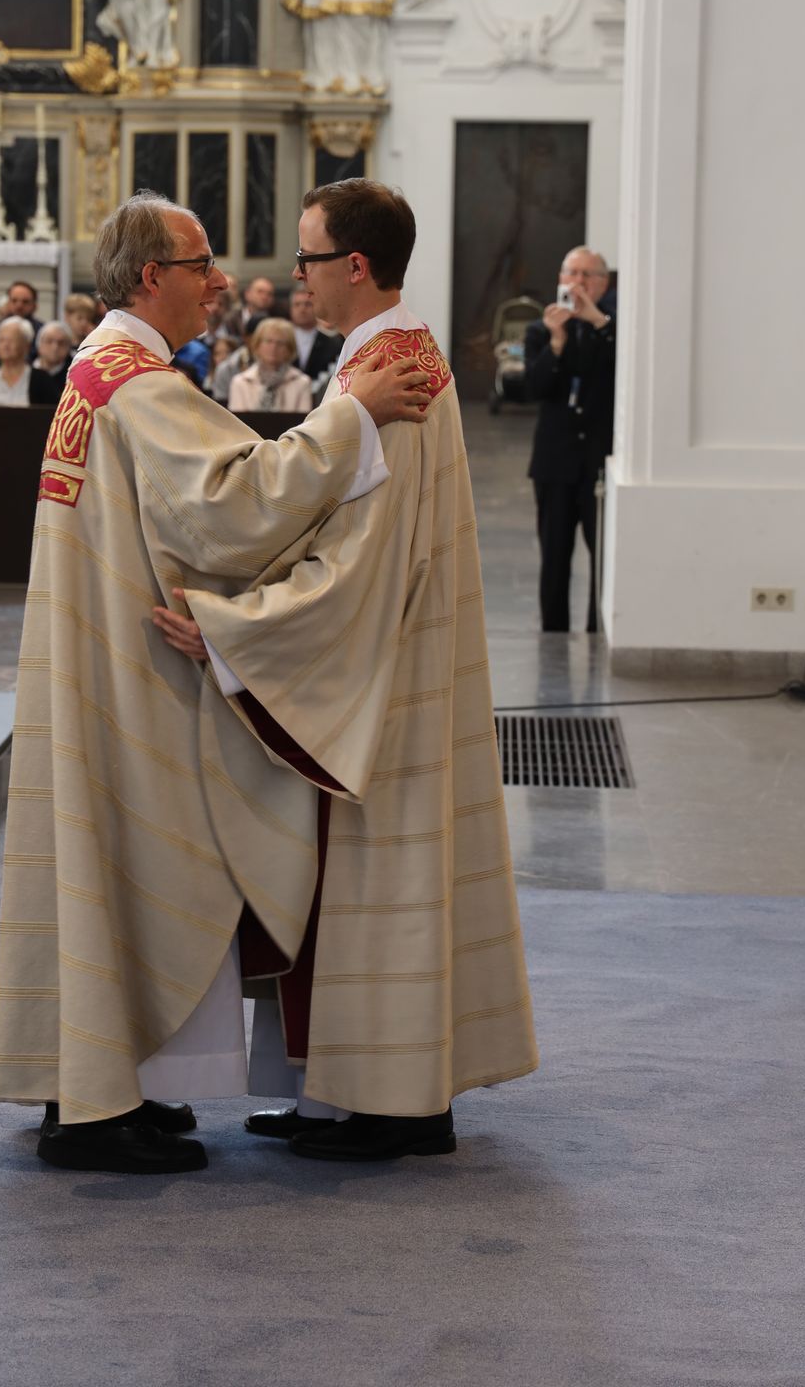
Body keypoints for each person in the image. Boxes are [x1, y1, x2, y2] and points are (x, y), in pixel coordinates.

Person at [0, 192, 433, 1175]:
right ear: (153, 278)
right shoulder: (140, 385)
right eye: (202, 266)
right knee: (133, 870)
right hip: (134, 677)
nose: (222, 283)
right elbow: (233, 506)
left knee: (107, 871)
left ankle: (107, 1088)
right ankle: (93, 1115)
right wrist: (350, 417)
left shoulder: (97, 369)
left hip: (102, 666)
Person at [153, 179, 538, 1163]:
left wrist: (232, 628)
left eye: (309, 258)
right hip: (392, 660)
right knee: (363, 887)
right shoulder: (387, 359)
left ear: (354, 266)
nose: (298, 277)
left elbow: (357, 567)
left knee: (380, 879)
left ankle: (395, 1106)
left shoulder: (390, 376)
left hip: (380, 680)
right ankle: (339, 1097)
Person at [523, 247, 616, 634]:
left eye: (587, 275)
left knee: (603, 555)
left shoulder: (613, 328)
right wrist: (556, 343)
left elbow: (620, 374)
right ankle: (553, 633)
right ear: (560, 279)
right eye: (571, 274)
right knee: (555, 555)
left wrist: (599, 323)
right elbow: (533, 388)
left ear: (603, 284)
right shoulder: (540, 330)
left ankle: (600, 630)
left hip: (598, 461)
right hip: (555, 460)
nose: (578, 283)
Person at [228, 317, 313, 414]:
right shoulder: (240, 382)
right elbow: (236, 421)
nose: (274, 347)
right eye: (268, 341)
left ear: (289, 349)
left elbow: (304, 421)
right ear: (257, 345)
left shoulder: (302, 382)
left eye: (280, 343)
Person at [0, 316, 61, 407]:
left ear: (26, 345)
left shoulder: (42, 380)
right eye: (1, 340)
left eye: (11, 340)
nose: (5, 345)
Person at [289, 284, 342, 399]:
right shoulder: (281, 341)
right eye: (297, 304)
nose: (302, 309)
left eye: (307, 304)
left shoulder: (333, 343)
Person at [34, 320, 73, 390]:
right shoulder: (26, 369)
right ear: (39, 344)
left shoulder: (73, 375)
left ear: (68, 347)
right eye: (49, 341)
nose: (55, 347)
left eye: (61, 343)